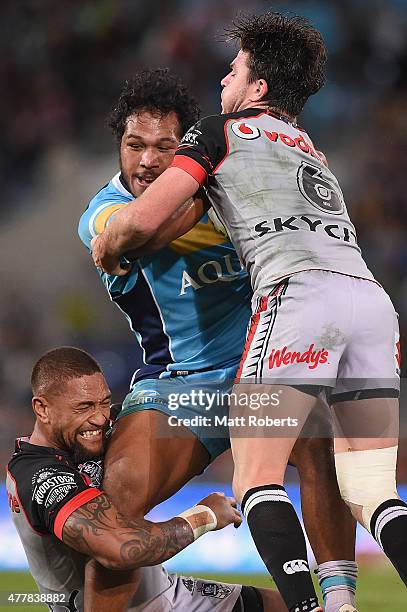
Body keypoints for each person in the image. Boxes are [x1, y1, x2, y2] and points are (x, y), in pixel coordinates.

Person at [91, 11, 406, 612]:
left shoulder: (219, 134)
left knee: (256, 478)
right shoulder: (310, 150)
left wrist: (112, 243)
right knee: (371, 488)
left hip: (295, 303)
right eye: (136, 145)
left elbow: (144, 223)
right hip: (364, 303)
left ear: (256, 87)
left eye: (233, 69)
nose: (223, 80)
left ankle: (313, 607)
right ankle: (341, 603)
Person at [8, 347, 286, 612]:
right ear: (42, 408)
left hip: (167, 593)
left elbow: (188, 413)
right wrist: (205, 516)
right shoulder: (39, 476)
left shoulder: (106, 429)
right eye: (84, 408)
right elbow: (119, 550)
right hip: (112, 607)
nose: (100, 418)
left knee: (281, 605)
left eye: (104, 402)